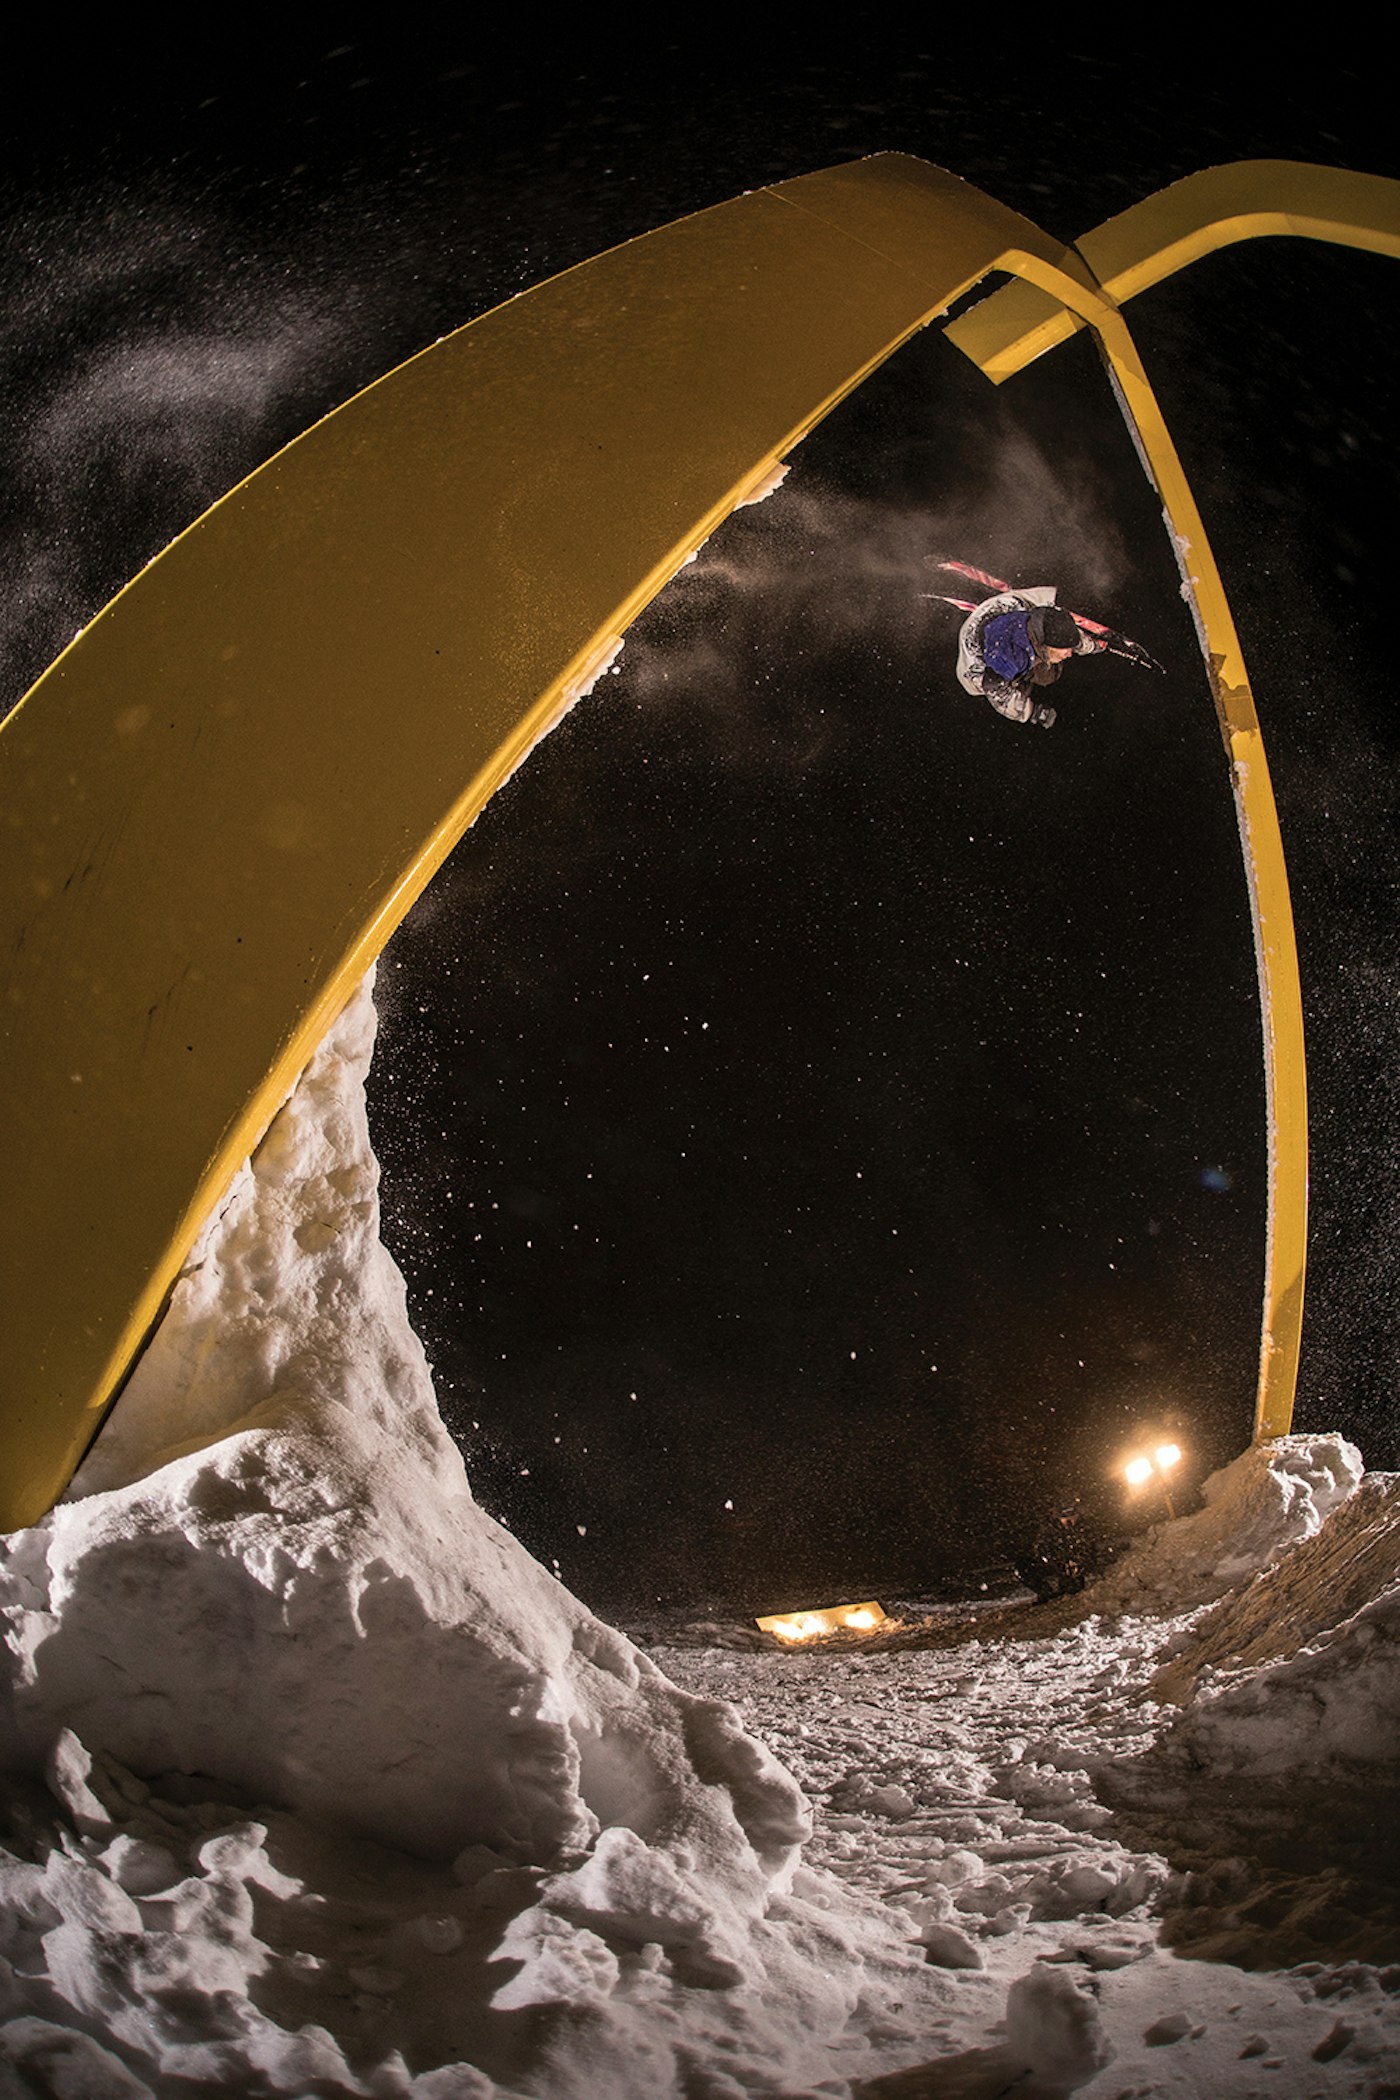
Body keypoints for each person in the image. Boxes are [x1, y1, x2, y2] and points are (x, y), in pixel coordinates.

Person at [956, 585, 1106, 728]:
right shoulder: (1011, 660)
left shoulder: (1038, 617)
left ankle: (1057, 599)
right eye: (1066, 649)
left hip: (1001, 608)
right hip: (973, 657)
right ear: (1046, 646)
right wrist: (1033, 712)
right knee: (1047, 675)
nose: (1070, 654)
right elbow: (998, 693)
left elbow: (1061, 631)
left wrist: (1092, 645)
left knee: (1028, 604)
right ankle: (1023, 678)